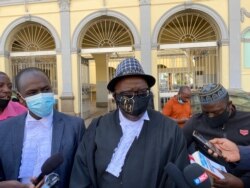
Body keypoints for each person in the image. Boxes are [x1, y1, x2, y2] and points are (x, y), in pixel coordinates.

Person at [70, 57, 189, 188]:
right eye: (128, 93)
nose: (135, 97)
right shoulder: (98, 127)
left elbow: (178, 178)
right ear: (115, 97)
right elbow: (82, 173)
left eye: (141, 92)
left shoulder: (170, 130)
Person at [0, 67, 85, 187]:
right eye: (33, 93)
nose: (41, 96)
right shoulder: (4, 129)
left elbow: (82, 173)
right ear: (20, 98)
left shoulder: (75, 126)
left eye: (46, 90)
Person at [183, 83, 250, 188]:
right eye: (206, 112)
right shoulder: (195, 122)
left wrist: (242, 183)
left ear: (229, 105)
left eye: (216, 112)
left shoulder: (247, 120)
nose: (210, 116)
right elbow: (178, 150)